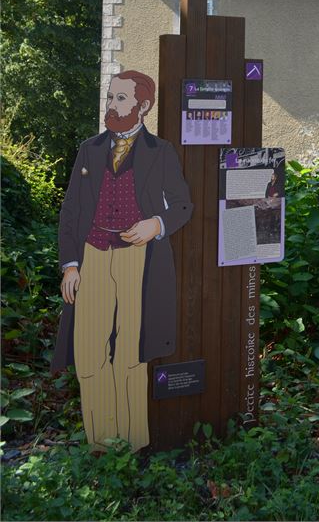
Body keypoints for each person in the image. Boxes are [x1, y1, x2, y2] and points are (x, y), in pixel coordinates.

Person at [51, 70, 192, 452]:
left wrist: (155, 224)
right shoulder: (89, 150)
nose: (110, 106)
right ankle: (100, 446)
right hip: (93, 256)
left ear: (143, 106)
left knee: (131, 353)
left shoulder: (160, 152)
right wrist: (70, 265)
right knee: (90, 352)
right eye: (110, 97)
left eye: (120, 99)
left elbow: (182, 205)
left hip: (138, 261)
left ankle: (132, 446)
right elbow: (70, 211)